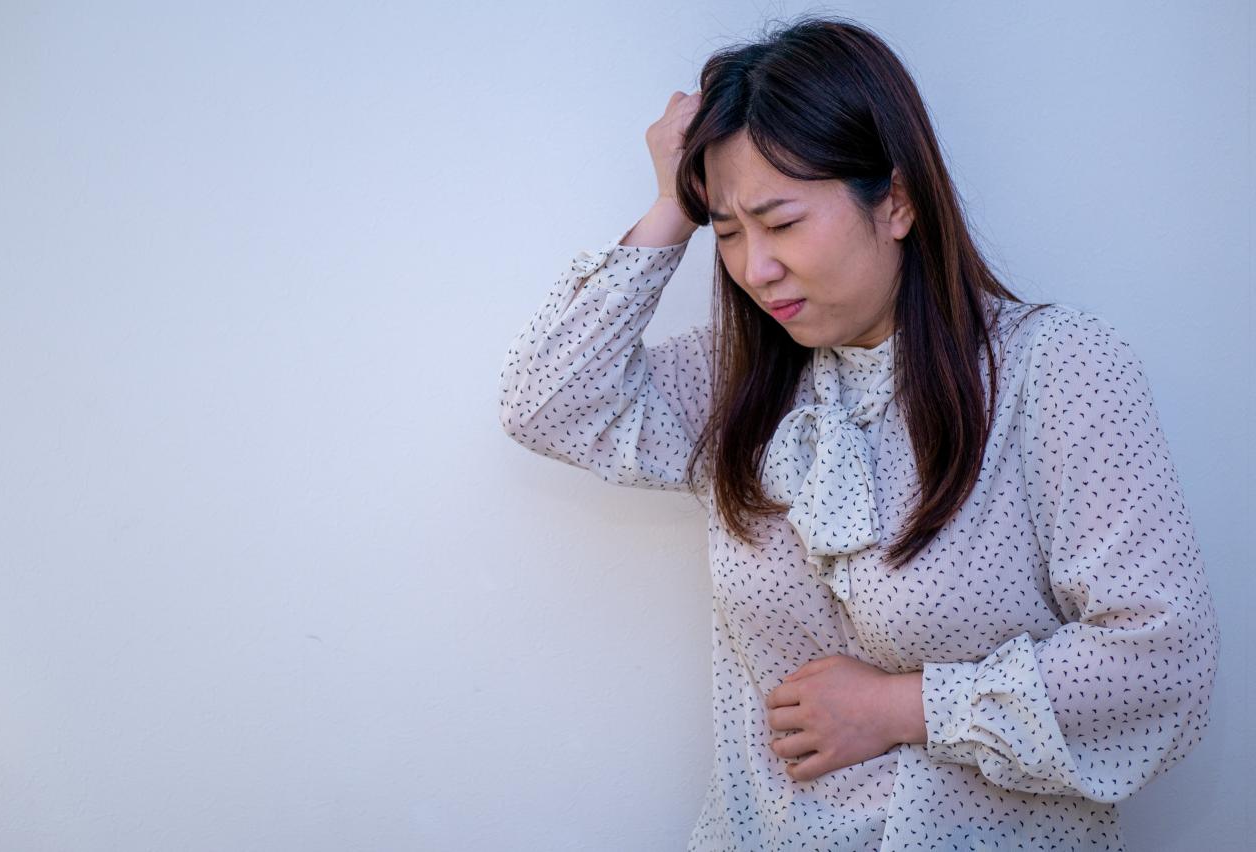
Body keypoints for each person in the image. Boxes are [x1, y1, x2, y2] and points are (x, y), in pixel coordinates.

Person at [497, 13, 1219, 851]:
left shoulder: (1053, 369)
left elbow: (1158, 658)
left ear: (898, 201)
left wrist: (899, 707)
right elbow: (546, 402)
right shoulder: (741, 386)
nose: (753, 268)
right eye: (728, 234)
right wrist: (669, 208)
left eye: (782, 222)